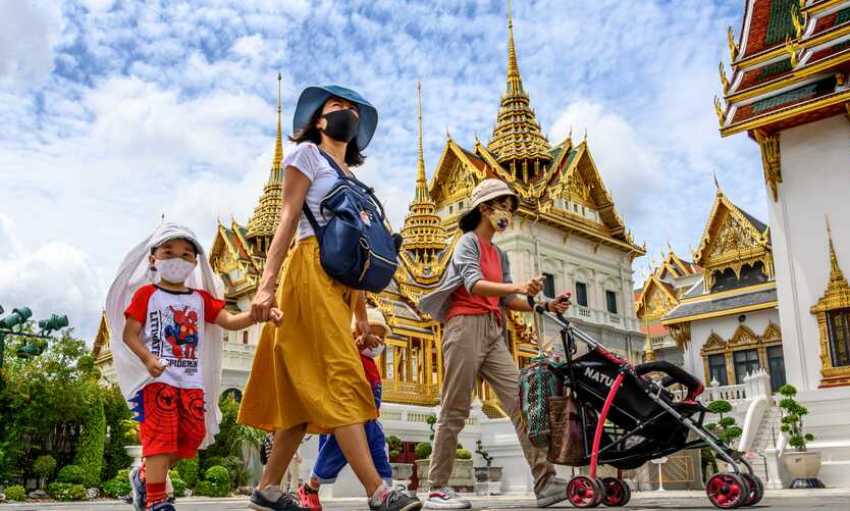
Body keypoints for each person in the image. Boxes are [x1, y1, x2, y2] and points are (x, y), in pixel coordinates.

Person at [237, 85, 420, 511]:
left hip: (339, 285)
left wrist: (359, 313)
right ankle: (379, 489)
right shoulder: (306, 157)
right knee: (342, 375)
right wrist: (265, 284)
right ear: (318, 120)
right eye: (338, 108)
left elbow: (356, 254)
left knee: (305, 391)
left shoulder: (353, 179)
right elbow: (286, 218)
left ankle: (267, 488)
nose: (347, 114)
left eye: (352, 111)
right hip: (305, 272)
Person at [105, 223, 282, 511]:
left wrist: (259, 314)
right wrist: (149, 360)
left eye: (186, 254)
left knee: (190, 439)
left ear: (194, 262)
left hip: (190, 383)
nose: (177, 258)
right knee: (161, 441)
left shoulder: (200, 300)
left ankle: (144, 475)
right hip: (158, 383)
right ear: (154, 259)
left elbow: (230, 321)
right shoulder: (146, 295)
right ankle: (156, 500)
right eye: (169, 252)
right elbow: (129, 334)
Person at [419, 179, 572, 510]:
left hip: (493, 330)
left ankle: (545, 482)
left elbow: (505, 300)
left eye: (510, 207)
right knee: (455, 408)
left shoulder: (500, 255)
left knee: (522, 404)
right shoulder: (467, 244)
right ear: (485, 209)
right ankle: (436, 488)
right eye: (503, 205)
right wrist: (517, 285)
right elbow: (474, 285)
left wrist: (543, 305)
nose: (508, 213)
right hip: (464, 327)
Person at [298, 307, 394, 511]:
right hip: (349, 411)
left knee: (377, 444)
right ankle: (310, 487)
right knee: (337, 447)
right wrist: (355, 343)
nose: (377, 341)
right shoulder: (349, 353)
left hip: (369, 413)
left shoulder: (369, 361)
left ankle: (386, 490)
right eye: (373, 334)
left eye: (381, 337)